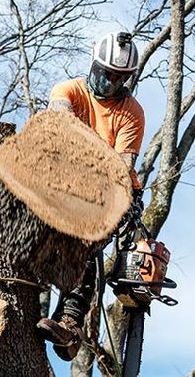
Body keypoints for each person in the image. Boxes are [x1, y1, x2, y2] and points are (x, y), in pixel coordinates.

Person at [36, 31, 145, 361]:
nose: (110, 84)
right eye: (106, 74)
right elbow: (57, 121)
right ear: (93, 66)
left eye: (119, 78)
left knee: (88, 237)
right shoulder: (69, 90)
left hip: (116, 191)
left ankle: (70, 322)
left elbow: (121, 167)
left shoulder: (131, 112)